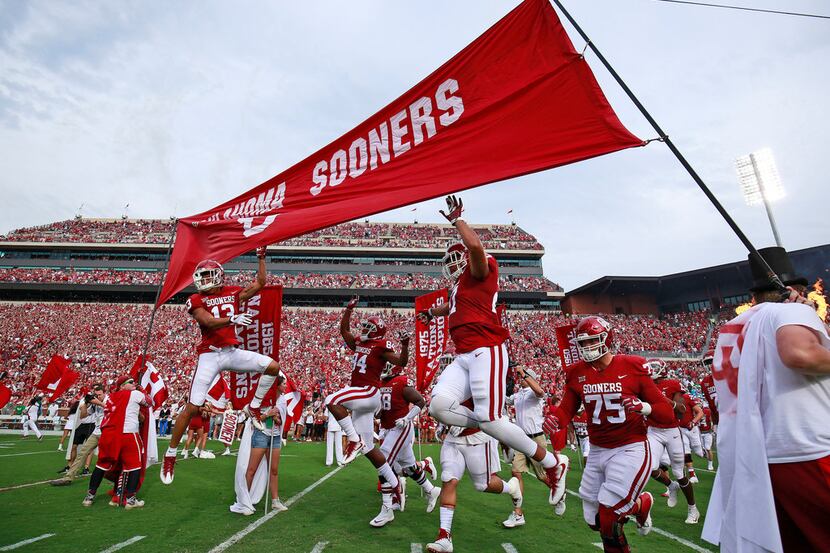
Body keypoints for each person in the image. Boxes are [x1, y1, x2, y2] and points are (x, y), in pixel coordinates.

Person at [417, 195, 562, 502]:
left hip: (487, 349)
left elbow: (476, 249)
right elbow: (447, 307)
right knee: (438, 407)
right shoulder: (456, 290)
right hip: (464, 355)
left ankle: (552, 463)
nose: (453, 266)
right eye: (450, 262)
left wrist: (458, 220)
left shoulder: (480, 272)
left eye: (457, 259)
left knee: (491, 420)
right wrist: (429, 313)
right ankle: (489, 422)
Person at [702, 247, 830, 552]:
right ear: (794, 290)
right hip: (809, 447)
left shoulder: (735, 325)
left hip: (760, 459)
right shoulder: (791, 311)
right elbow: (798, 355)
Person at [543, 316, 676, 553]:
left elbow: (666, 412)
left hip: (630, 448)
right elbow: (567, 408)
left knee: (609, 517)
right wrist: (557, 420)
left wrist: (643, 407)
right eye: (582, 343)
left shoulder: (632, 365)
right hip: (597, 450)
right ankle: (641, 504)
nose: (586, 348)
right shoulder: (576, 372)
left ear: (607, 339)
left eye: (592, 341)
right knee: (594, 520)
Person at [161, 246, 283, 485]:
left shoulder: (233, 292)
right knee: (193, 407)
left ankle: (254, 406)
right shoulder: (196, 299)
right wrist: (232, 318)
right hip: (209, 355)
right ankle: (170, 454)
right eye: (201, 276)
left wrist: (260, 257)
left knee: (272, 367)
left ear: (218, 275)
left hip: (232, 351)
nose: (204, 280)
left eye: (207, 275)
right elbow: (206, 321)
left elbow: (260, 283)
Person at [325, 296, 408, 520]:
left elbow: (401, 362)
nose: (364, 329)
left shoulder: (381, 346)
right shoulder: (361, 343)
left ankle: (353, 440)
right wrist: (349, 309)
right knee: (370, 450)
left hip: (369, 392)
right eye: (364, 326)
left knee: (331, 400)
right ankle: (394, 486)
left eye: (369, 327)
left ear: (378, 331)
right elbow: (344, 332)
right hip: (361, 395)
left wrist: (406, 344)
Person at [426, 399, 523, 553]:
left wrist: (505, 440)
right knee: (448, 478)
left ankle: (512, 487)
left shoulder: (482, 377)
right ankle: (444, 536)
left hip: (478, 436)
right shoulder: (454, 376)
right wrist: (443, 423)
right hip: (453, 437)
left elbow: (496, 407)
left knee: (483, 485)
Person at [371, 363, 441, 527]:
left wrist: (408, 418)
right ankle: (431, 490)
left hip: (400, 427)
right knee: (409, 467)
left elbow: (420, 401)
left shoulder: (400, 382)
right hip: (389, 428)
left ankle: (387, 508)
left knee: (382, 460)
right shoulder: (381, 384)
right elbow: (383, 410)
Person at [503, 364, 566, 528]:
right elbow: (505, 398)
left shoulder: (534, 393)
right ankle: (518, 513)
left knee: (542, 476)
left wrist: (523, 374)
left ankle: (559, 493)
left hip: (536, 439)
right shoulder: (518, 395)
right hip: (521, 439)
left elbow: (540, 392)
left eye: (525, 376)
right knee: (515, 472)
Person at [82, 375, 150, 509]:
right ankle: (130, 500)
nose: (134, 384)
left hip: (108, 435)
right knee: (135, 465)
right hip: (127, 433)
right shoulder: (134, 394)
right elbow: (149, 402)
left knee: (101, 465)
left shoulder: (110, 397)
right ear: (122, 386)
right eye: (130, 382)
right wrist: (143, 390)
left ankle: (89, 496)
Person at [644, 359, 699, 524]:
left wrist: (665, 401)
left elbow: (682, 410)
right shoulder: (644, 385)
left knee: (679, 473)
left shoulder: (672, 384)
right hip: (653, 430)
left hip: (672, 430)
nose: (650, 370)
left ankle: (693, 509)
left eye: (653, 367)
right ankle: (671, 485)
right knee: (650, 468)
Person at [50, 384, 106, 486]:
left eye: (100, 395)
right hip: (96, 432)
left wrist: (98, 402)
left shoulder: (109, 400)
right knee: (83, 452)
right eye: (96, 395)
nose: (98, 397)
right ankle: (68, 477)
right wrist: (85, 405)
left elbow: (111, 409)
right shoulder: (94, 404)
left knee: (112, 456)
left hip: (107, 432)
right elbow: (83, 416)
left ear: (104, 393)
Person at [698, 406, 715, 471]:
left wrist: (713, 427)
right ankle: (706, 456)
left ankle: (710, 464)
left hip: (708, 433)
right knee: (702, 449)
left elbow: (712, 419)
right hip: (699, 433)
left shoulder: (707, 411)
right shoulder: (694, 412)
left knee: (708, 448)